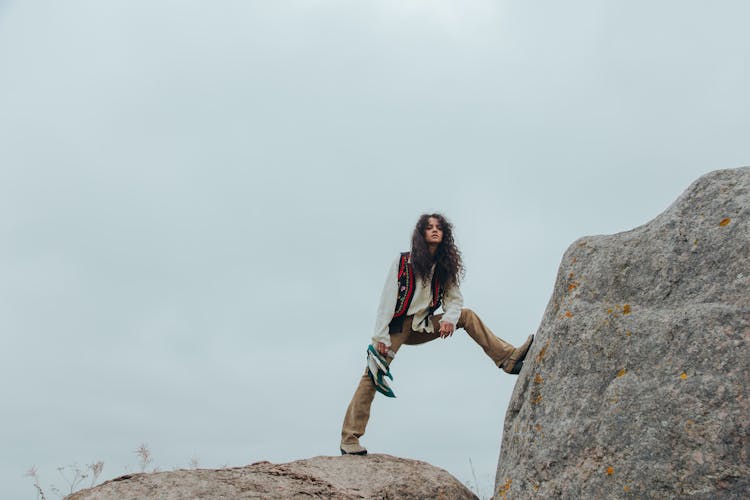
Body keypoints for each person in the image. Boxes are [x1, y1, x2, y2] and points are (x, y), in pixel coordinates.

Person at [339, 213, 534, 455]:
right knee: (372, 375)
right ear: (421, 233)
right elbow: (386, 300)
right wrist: (380, 337)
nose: (434, 231)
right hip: (397, 326)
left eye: (439, 228)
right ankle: (349, 439)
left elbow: (455, 300)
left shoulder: (444, 268)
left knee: (467, 315)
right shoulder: (403, 262)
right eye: (429, 227)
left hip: (423, 325)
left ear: (444, 234)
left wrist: (450, 319)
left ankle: (508, 359)